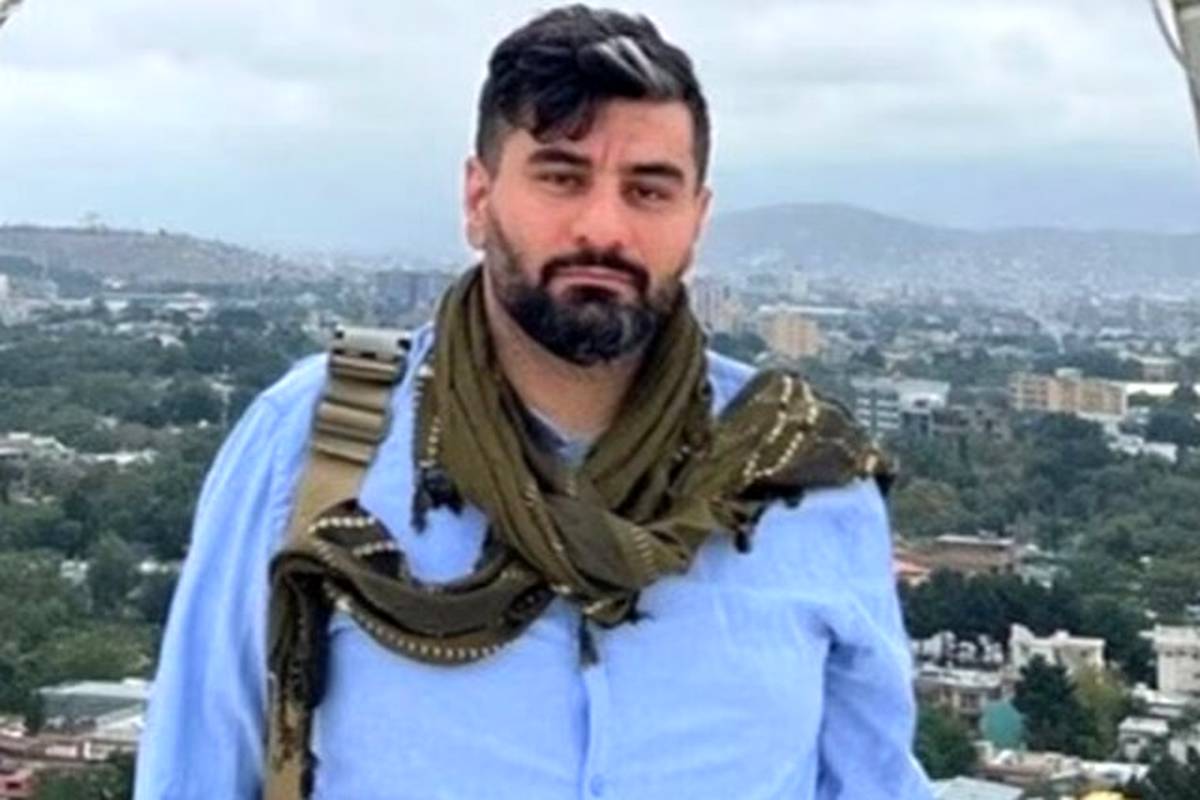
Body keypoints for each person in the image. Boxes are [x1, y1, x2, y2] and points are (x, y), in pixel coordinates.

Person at [135, 5, 934, 799]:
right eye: (561, 177)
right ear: (478, 198)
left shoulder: (800, 477)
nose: (603, 227)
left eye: (648, 190)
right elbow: (195, 772)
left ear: (696, 221)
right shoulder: (315, 443)